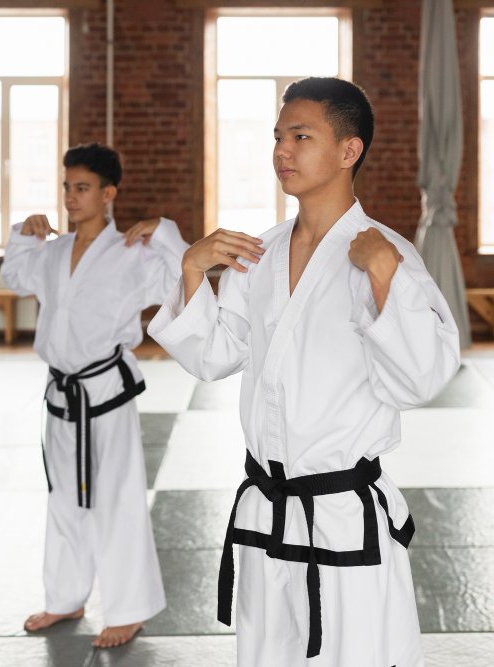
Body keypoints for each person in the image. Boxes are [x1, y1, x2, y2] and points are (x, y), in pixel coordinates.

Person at [149, 77, 460, 666]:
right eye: (277, 137)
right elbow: (214, 357)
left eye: (300, 136)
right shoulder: (258, 254)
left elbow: (421, 380)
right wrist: (192, 271)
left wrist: (385, 278)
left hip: (341, 514)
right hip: (267, 509)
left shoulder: (385, 254)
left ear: (349, 150)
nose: (281, 151)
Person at [1, 142, 188, 648]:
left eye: (82, 187)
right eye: (67, 186)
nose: (70, 197)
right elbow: (14, 277)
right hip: (61, 392)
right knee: (63, 496)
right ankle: (65, 597)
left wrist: (163, 231)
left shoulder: (132, 252)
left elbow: (181, 279)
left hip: (106, 391)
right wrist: (23, 235)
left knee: (118, 498)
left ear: (108, 194)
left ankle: (130, 609)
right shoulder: (52, 251)